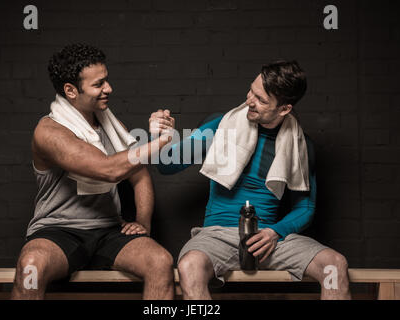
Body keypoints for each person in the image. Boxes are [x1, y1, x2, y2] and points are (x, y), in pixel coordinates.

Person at [149, 60, 351, 300]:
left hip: (269, 239)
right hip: (217, 234)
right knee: (189, 266)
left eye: (261, 100)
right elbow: (167, 165)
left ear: (284, 109)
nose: (249, 101)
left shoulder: (300, 145)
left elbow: (305, 207)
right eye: (251, 91)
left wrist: (276, 232)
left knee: (335, 266)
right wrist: (160, 137)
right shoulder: (221, 126)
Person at [11, 44, 174, 300]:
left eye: (106, 80)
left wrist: (142, 222)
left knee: (161, 262)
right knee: (31, 266)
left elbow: (139, 174)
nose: (108, 89)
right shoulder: (49, 132)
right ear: (70, 90)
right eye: (99, 84)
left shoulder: (110, 124)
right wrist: (158, 144)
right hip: (59, 231)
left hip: (109, 230)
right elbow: (106, 169)